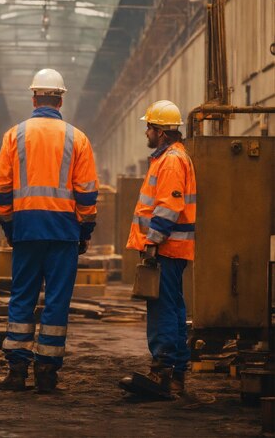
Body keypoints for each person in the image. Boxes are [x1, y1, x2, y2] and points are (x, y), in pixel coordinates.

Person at [0, 68, 98, 393]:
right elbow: (87, 193)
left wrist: (9, 225)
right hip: (63, 231)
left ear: (34, 96)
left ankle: (16, 372)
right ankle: (47, 374)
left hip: (26, 229)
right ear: (61, 99)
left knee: (22, 296)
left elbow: (0, 190)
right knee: (56, 301)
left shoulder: (15, 135)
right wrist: (85, 229)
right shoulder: (77, 138)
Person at [121, 100, 196, 399]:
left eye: (149, 127)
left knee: (163, 309)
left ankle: (162, 371)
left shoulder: (172, 161)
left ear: (162, 132)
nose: (146, 132)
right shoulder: (171, 157)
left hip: (166, 248)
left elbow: (168, 206)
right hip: (172, 249)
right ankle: (176, 374)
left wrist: (152, 241)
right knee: (174, 309)